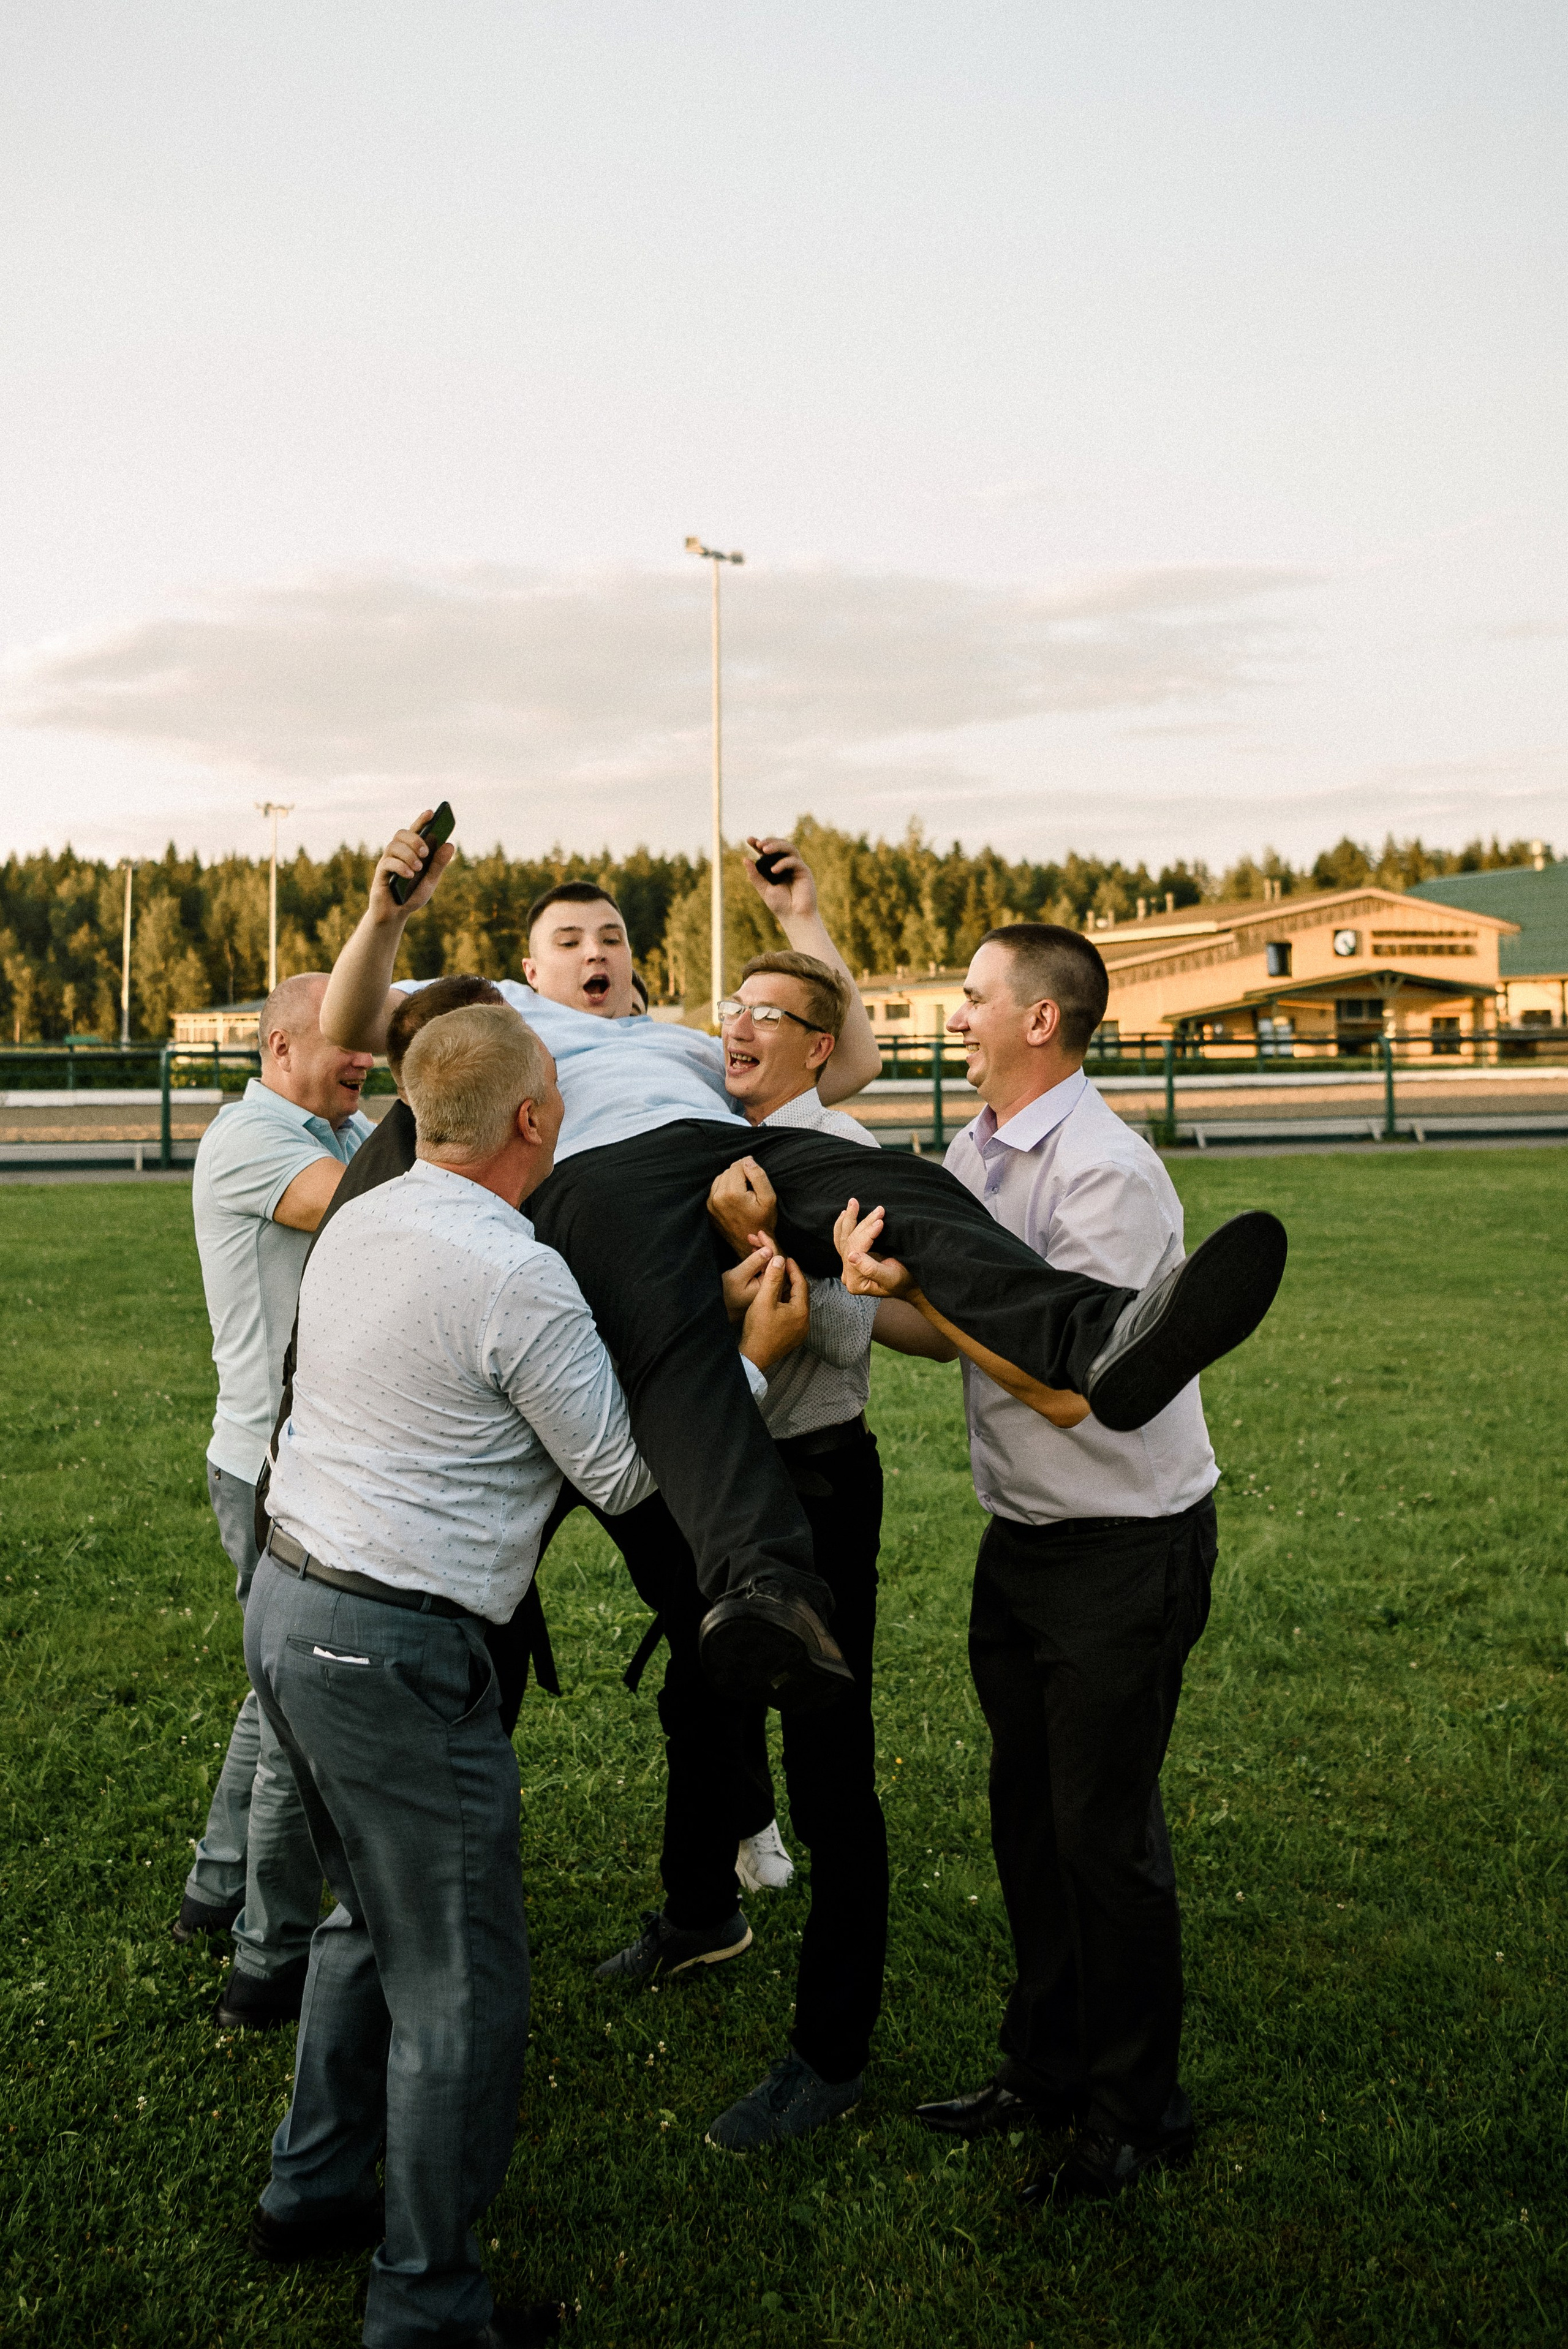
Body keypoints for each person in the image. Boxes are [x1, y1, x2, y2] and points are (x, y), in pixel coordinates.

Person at [320, 813, 1287, 1708]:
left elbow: (847, 1061)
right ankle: (762, 1582)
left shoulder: (681, 1045)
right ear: (532, 969)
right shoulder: (509, 1022)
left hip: (731, 1153)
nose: (595, 952)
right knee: (678, 1349)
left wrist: (801, 919)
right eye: (570, 942)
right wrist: (387, 916)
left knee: (906, 1192)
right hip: (605, 1180)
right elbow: (352, 1025)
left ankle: (1093, 1333)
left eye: (611, 936)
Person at [244, 1002, 812, 2343]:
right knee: (462, 1988)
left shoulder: (367, 1218)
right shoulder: (516, 1270)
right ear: (535, 1120)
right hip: (392, 1645)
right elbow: (621, 1473)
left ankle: (309, 2188)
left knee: (363, 1920)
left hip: (286, 1602)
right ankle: (426, 2305)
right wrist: (745, 1360)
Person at [840, 924, 1226, 2201]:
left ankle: (1135, 2114)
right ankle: (1047, 2068)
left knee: (1102, 1838)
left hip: (1125, 1547)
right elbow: (942, 1333)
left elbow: (1073, 1387)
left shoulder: (1106, 1174)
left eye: (971, 997)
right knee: (1030, 1823)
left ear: (1039, 1020)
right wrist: (867, 1292)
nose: (953, 1016)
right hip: (1023, 1542)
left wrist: (927, 1296)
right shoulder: (976, 1150)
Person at [594, 949, 948, 2150]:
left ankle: (829, 2056)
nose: (736, 1028)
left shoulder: (844, 1159)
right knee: (699, 1704)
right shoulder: (691, 1133)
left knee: (830, 1767)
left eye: (768, 1014)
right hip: (712, 1468)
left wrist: (757, 1243)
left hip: (814, 1484)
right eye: (730, 1009)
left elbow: (841, 1335)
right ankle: (700, 1916)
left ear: (818, 1047)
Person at [176, 972, 374, 2032]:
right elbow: (370, 1209)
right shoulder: (252, 1138)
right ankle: (268, 1960)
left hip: (316, 1458)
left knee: (274, 1693)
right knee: (305, 1709)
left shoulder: (351, 1132)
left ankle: (214, 1893)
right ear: (280, 1047)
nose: (366, 1058)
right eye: (348, 1041)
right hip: (269, 1467)